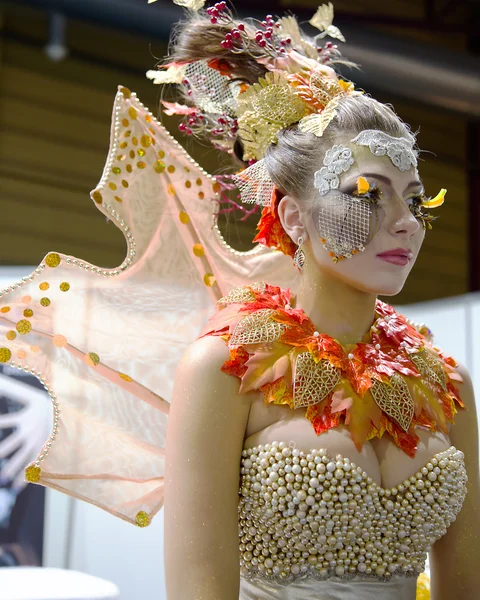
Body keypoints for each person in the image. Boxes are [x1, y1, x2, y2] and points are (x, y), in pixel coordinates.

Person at [0, 2, 477, 599]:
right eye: (368, 194)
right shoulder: (223, 369)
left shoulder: (448, 385)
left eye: (414, 199)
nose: (405, 222)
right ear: (293, 218)